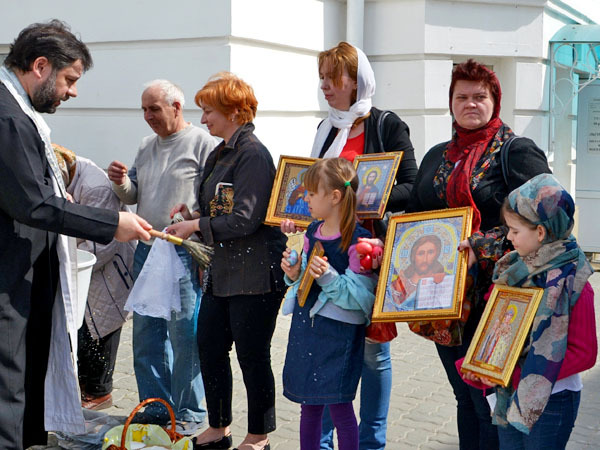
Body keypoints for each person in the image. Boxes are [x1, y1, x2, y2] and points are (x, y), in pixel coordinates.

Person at [0, 20, 150, 449]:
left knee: (25, 377)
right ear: (40, 66)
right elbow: (34, 204)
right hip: (8, 278)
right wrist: (111, 224)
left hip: (21, 273)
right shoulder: (8, 117)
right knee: (8, 385)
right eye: (69, 79)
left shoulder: (17, 111)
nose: (73, 92)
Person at [405, 59, 552, 449]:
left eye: (479, 96)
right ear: (450, 103)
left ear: (495, 101)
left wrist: (483, 245)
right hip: (442, 297)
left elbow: (548, 219)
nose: (470, 104)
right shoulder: (438, 156)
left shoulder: (515, 152)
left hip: (497, 298)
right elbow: (416, 215)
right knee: (463, 395)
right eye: (462, 97)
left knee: (488, 397)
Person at [281, 41, 417, 450]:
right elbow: (314, 189)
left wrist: (366, 201)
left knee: (373, 353)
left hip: (366, 251)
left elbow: (412, 188)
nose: (324, 86)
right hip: (327, 247)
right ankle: (321, 442)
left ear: (356, 82)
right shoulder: (326, 128)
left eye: (333, 78)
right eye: (321, 78)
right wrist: (296, 219)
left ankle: (371, 441)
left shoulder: (386, 125)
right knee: (326, 353)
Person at [166, 72, 286, 450]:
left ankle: (258, 436)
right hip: (223, 272)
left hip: (256, 274)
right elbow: (219, 209)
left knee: (252, 356)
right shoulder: (219, 152)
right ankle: (219, 428)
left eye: (209, 111)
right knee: (210, 346)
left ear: (234, 111)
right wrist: (192, 215)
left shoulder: (253, 154)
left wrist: (196, 225)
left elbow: (245, 219)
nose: (203, 119)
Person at [108, 79, 214, 432]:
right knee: (147, 334)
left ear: (176, 107)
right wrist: (120, 182)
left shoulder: (203, 143)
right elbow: (132, 194)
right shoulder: (145, 145)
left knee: (184, 336)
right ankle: (155, 409)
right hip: (147, 248)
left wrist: (200, 235)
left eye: (154, 108)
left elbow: (215, 200)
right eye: (144, 109)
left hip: (183, 252)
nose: (148, 116)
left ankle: (189, 413)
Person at [464, 174, 594, 449]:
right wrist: (480, 364)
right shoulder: (513, 268)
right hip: (509, 393)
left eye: (514, 230)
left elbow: (584, 353)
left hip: (552, 400)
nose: (508, 237)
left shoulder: (573, 280)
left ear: (540, 233)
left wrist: (516, 373)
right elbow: (497, 328)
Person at [280, 157, 377, 450]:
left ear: (334, 197)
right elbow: (303, 278)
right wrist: (294, 272)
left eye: (312, 193)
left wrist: (328, 277)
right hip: (307, 327)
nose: (306, 199)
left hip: (338, 335)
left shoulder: (358, 241)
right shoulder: (312, 231)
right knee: (308, 404)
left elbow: (361, 299)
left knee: (339, 406)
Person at [53, 144, 136, 411]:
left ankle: (99, 393)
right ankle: (86, 389)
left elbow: (103, 243)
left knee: (100, 325)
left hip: (106, 269)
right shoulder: (71, 172)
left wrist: (68, 258)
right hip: (83, 266)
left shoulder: (94, 186)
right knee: (83, 328)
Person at [388, 234, 446, 311]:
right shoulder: (398, 284)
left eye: (430, 252)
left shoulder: (444, 281)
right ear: (413, 256)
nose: (425, 259)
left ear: (437, 255)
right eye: (420, 253)